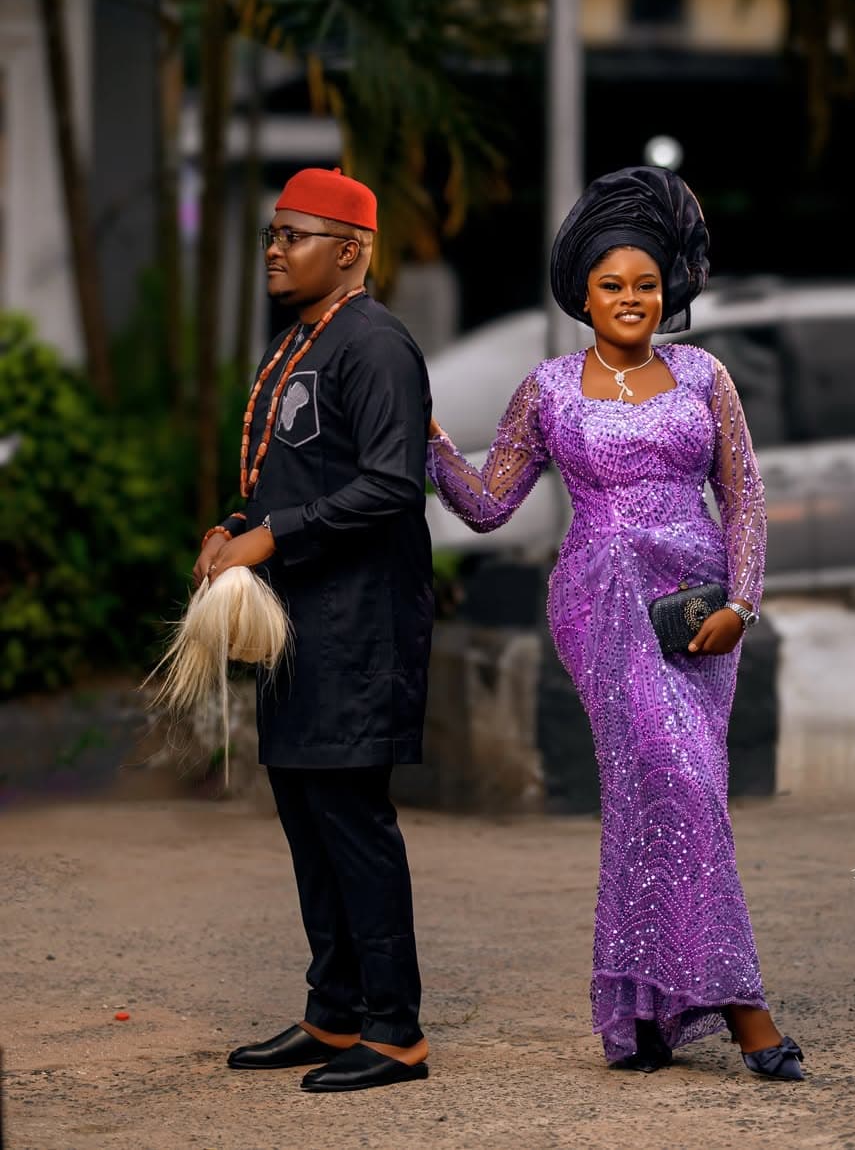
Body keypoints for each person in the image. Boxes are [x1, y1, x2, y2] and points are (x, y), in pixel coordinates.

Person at [426, 166, 805, 1079]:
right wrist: (428, 436)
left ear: (666, 289)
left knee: (667, 795)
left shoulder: (706, 374)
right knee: (675, 777)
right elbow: (485, 507)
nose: (631, 299)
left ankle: (638, 1015)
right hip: (600, 605)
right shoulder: (548, 389)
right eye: (611, 285)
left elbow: (745, 496)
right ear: (583, 296)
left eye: (644, 284)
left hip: (698, 609)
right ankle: (745, 1009)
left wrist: (742, 604)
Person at [192, 166, 434, 1094]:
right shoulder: (301, 340)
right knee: (305, 818)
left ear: (350, 251)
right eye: (272, 234)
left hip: (357, 626)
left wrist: (272, 535)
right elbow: (287, 479)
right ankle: (334, 1016)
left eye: (294, 236)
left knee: (351, 821)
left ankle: (397, 1031)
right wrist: (233, 524)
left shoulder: (374, 345)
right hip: (295, 625)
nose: (274, 250)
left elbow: (389, 485)